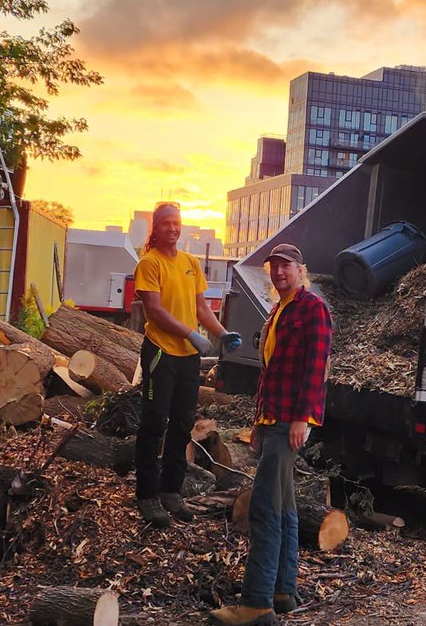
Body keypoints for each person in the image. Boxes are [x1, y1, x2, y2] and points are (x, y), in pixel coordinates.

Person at [210, 243, 333, 626]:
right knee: (283, 506)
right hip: (272, 420)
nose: (279, 272)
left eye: (286, 266)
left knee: (263, 508)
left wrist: (303, 418)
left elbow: (317, 366)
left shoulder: (312, 308)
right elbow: (269, 374)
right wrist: (258, 422)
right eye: (274, 266)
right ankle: (282, 591)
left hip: (290, 422)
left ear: (300, 269)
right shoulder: (279, 310)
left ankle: (256, 604)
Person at [134, 202, 241, 527]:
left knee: (182, 423)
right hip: (161, 353)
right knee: (155, 423)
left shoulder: (191, 263)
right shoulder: (149, 263)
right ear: (156, 228)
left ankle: (171, 491)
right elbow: (154, 311)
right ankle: (147, 496)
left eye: (176, 222)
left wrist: (221, 333)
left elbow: (201, 308)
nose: (172, 228)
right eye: (165, 223)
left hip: (187, 357)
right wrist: (189, 334)